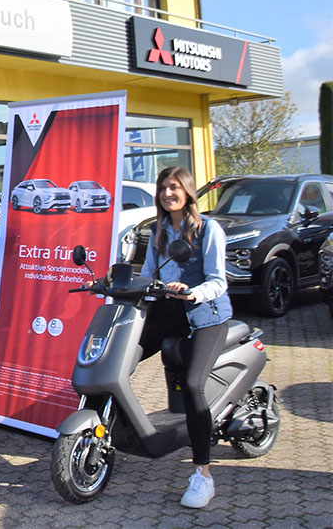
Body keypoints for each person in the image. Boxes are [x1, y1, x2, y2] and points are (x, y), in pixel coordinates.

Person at [140, 165, 233, 509]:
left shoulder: (209, 229)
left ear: (188, 192)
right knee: (126, 355)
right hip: (170, 311)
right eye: (164, 187)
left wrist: (192, 293)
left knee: (193, 385)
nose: (168, 193)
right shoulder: (158, 230)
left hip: (206, 315)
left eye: (175, 187)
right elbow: (149, 274)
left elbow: (218, 280)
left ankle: (202, 475)